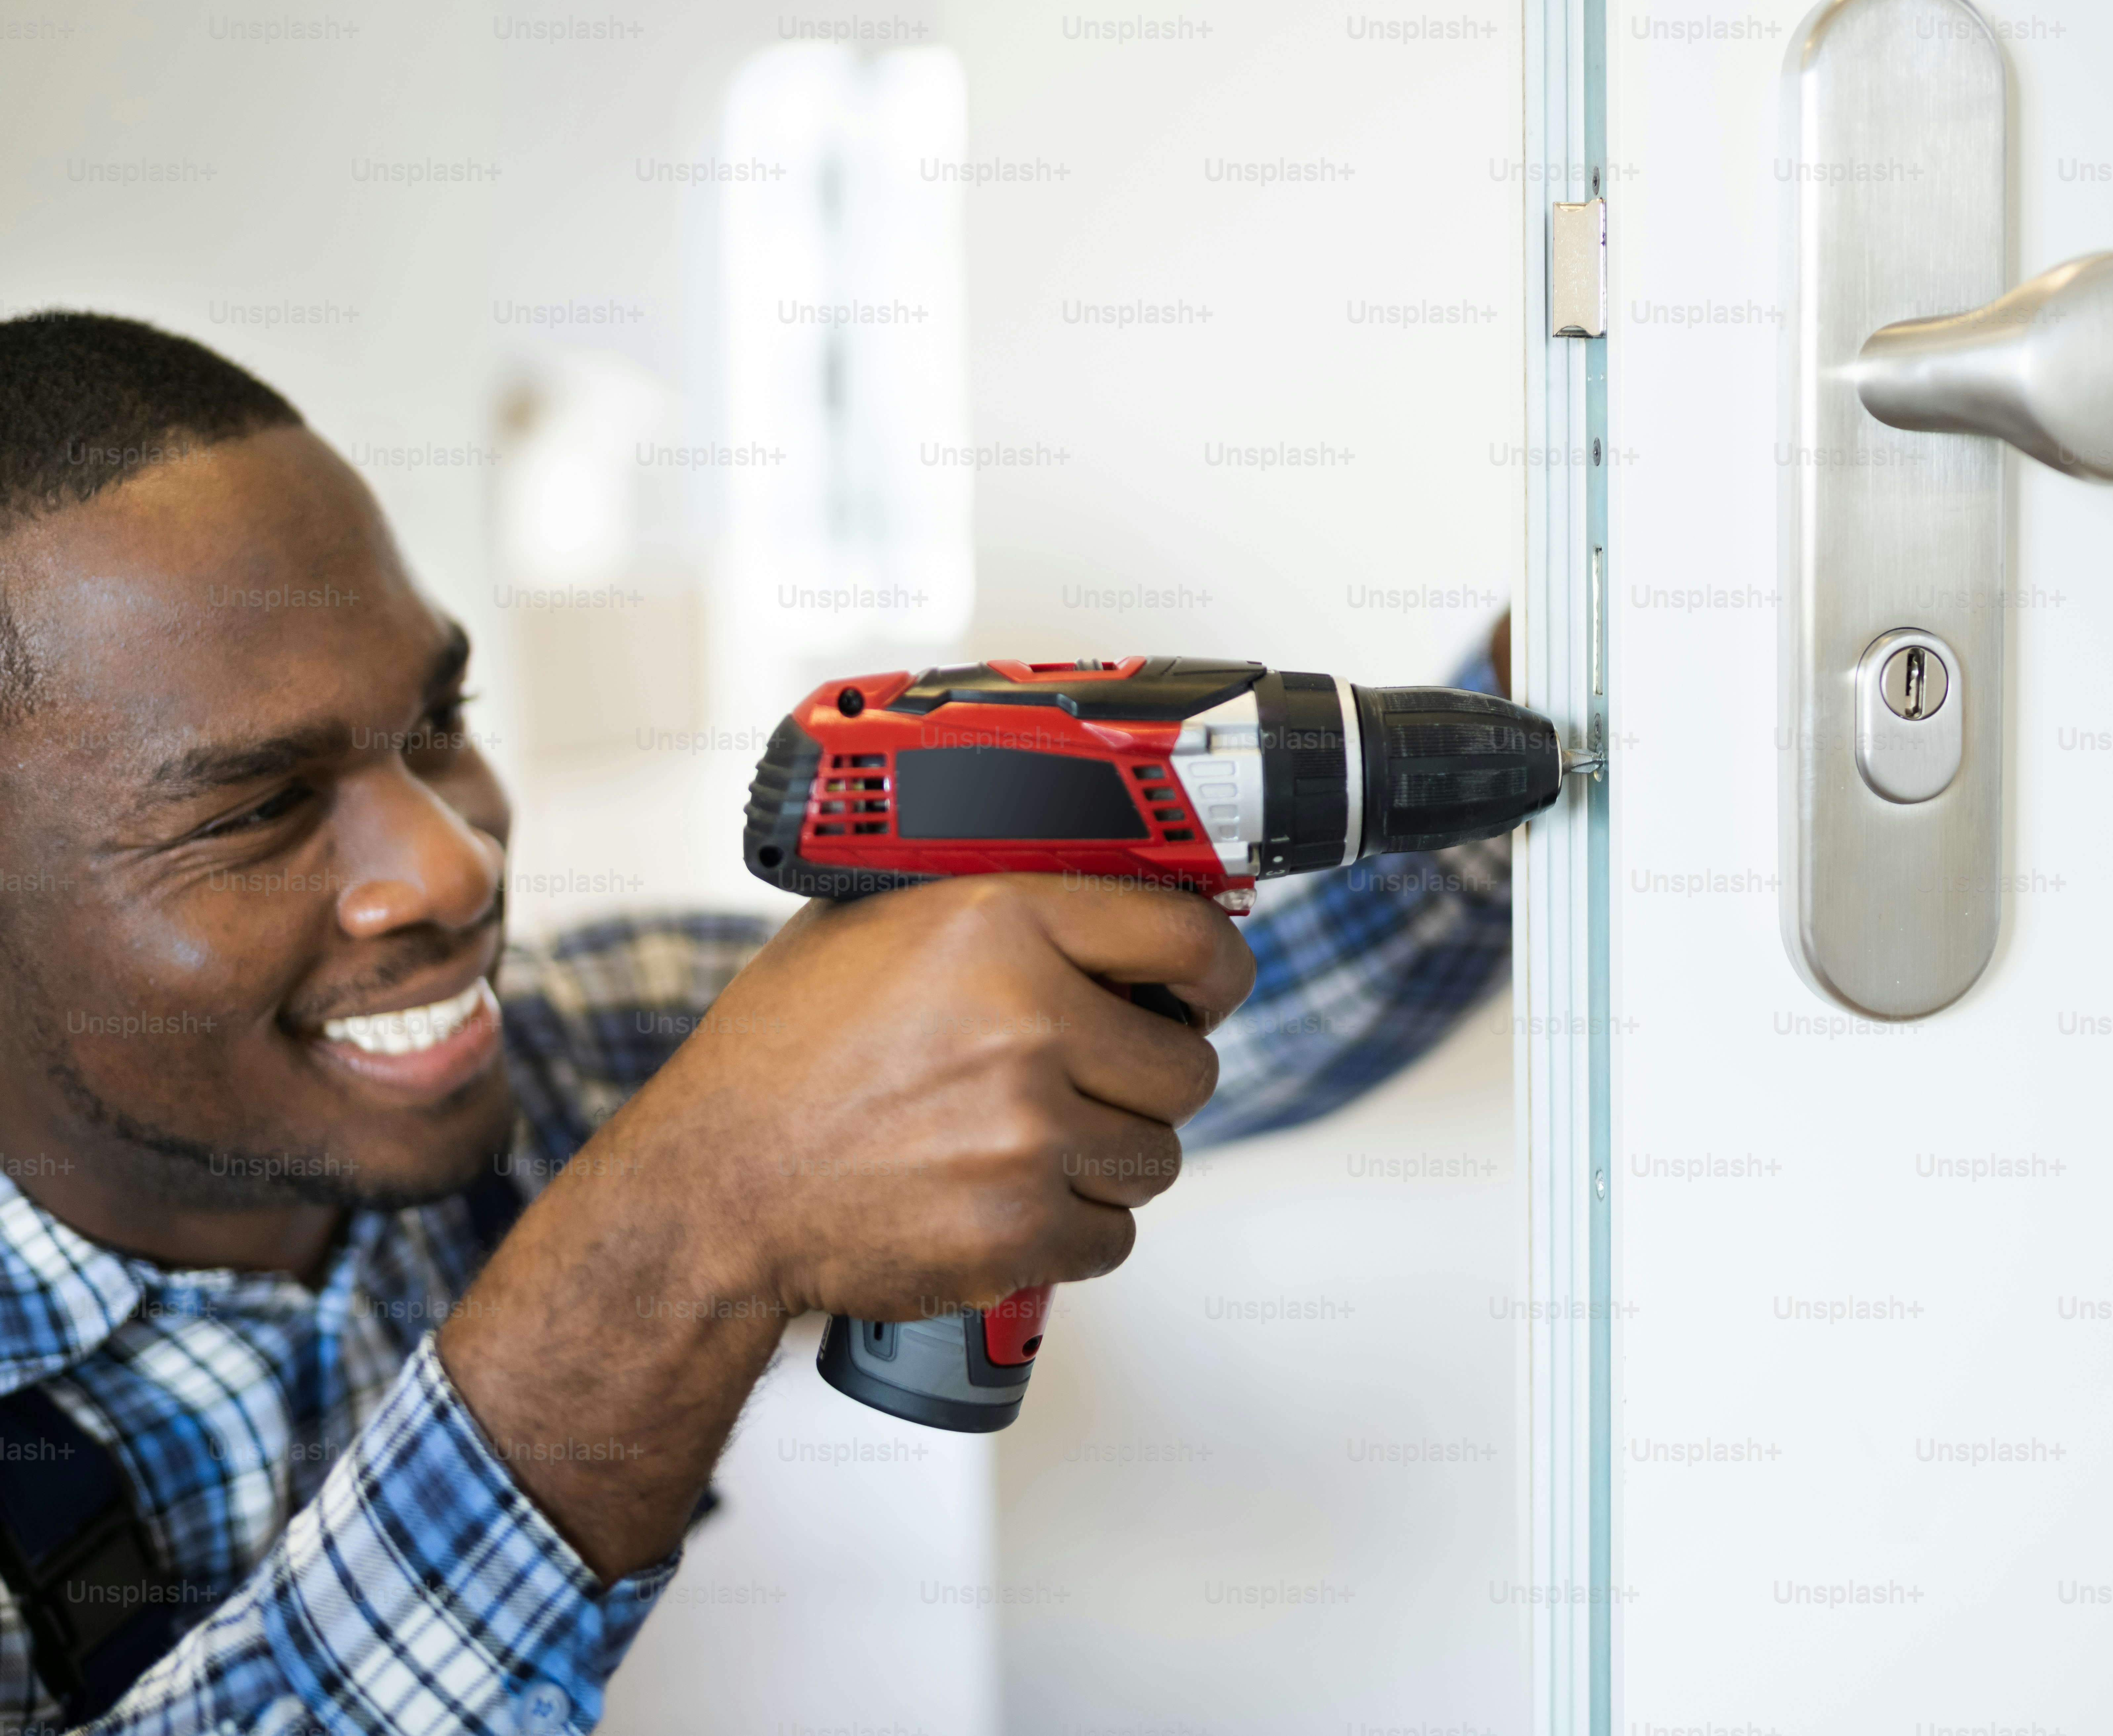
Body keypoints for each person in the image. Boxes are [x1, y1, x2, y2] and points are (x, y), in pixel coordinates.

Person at [0, 311, 1511, 1734]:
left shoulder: (565, 1049)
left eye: (439, 726)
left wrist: (1538, 699)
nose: (455, 866)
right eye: (259, 808)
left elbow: (1212, 1034)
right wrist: (678, 1231)